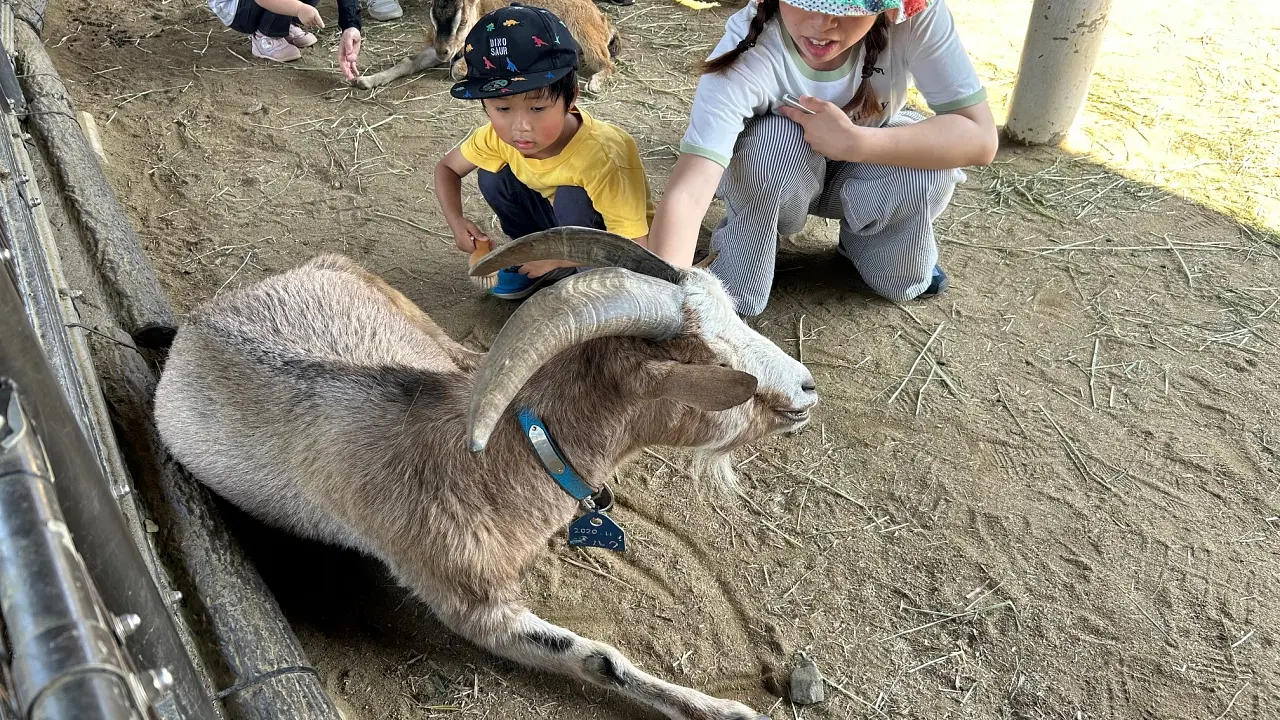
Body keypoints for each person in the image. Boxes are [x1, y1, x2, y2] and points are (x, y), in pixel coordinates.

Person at [646, 0, 997, 315]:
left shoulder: (916, 19)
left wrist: (856, 143)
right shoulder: (747, 51)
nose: (821, 22)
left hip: (866, 165)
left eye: (846, 8)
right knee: (772, 143)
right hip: (780, 174)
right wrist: (666, 301)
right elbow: (689, 193)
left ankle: (868, 244)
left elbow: (980, 138)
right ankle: (745, 259)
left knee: (924, 176)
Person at [433, 5, 653, 300]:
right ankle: (538, 257)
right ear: (485, 105)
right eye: (502, 109)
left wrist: (561, 256)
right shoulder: (498, 138)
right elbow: (447, 169)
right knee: (492, 176)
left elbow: (634, 245)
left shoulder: (605, 156)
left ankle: (584, 279)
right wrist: (457, 221)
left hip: (612, 245)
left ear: (571, 97)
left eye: (537, 108)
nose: (520, 127)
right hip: (559, 229)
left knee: (572, 197)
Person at [208, 0, 363, 74]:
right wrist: (299, 9)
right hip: (236, 8)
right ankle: (266, 34)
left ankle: (284, 24)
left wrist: (351, 25)